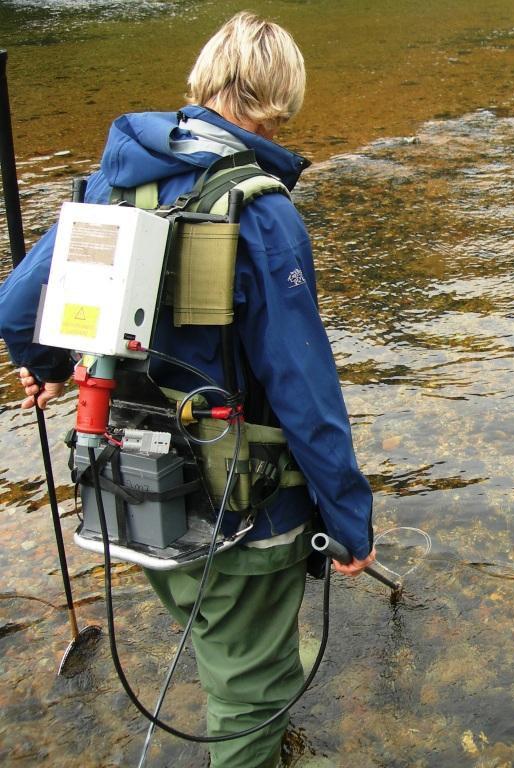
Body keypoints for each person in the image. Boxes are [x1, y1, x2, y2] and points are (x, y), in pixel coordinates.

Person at [0, 12, 375, 768]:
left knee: (208, 613)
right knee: (248, 692)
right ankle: (254, 698)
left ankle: (247, 658)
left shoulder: (117, 176)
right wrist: (349, 516)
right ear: (280, 99)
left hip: (127, 485)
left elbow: (17, 306)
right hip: (240, 501)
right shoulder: (261, 211)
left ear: (206, 80)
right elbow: (303, 388)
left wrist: (39, 365)